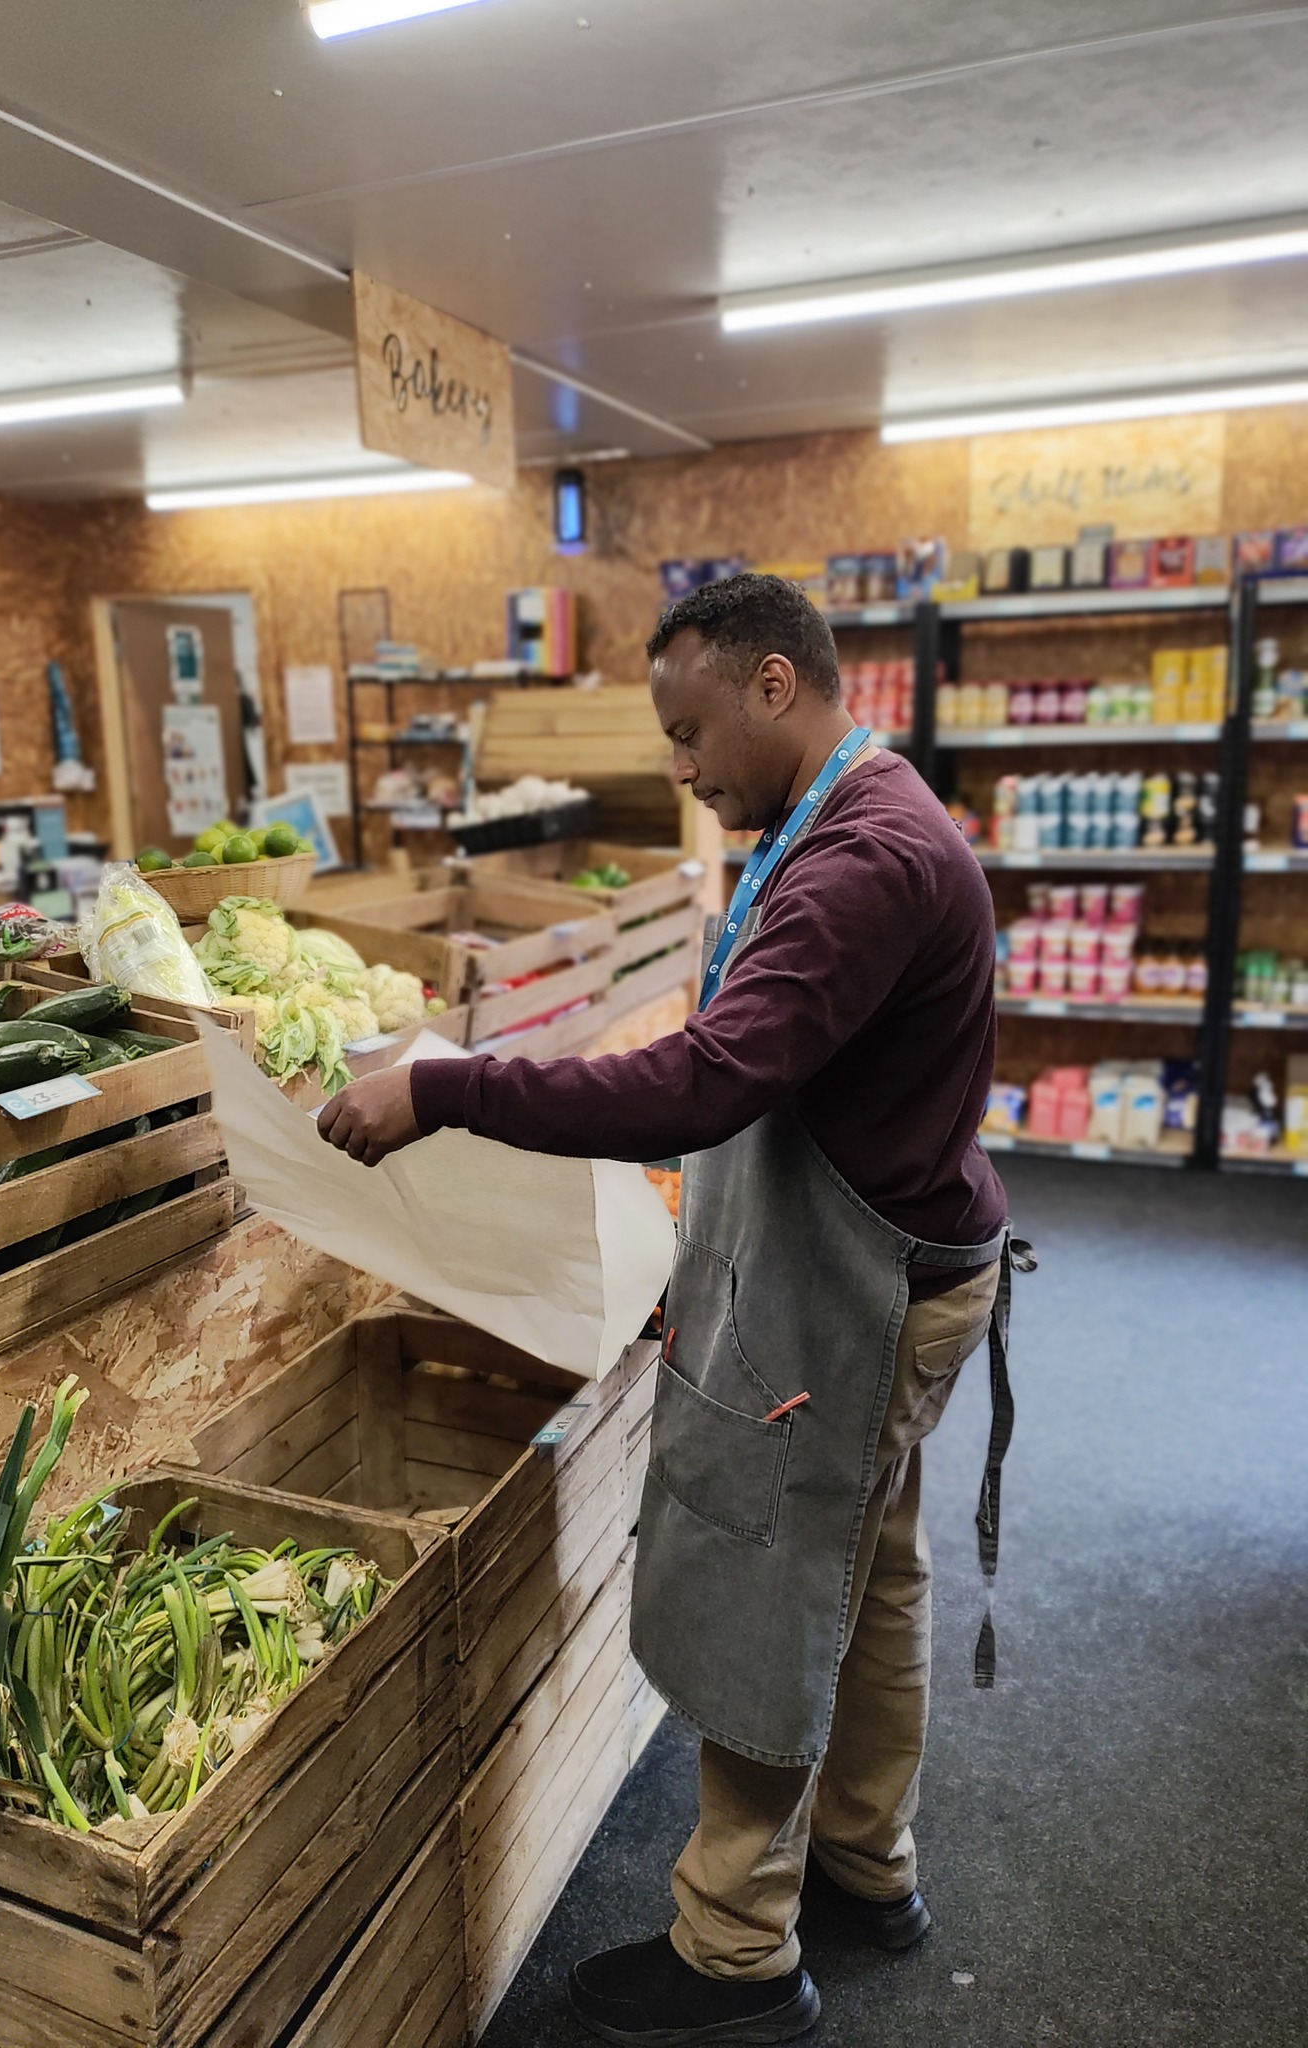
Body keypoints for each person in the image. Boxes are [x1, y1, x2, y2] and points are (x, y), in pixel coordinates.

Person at [318, 572, 1019, 2048]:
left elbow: (707, 1080)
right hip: (905, 1266)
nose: (685, 770)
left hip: (860, 1293)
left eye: (692, 733)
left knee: (770, 1586)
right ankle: (864, 1869)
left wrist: (449, 1084)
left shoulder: (860, 863)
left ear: (778, 685)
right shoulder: (853, 816)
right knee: (870, 1577)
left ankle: (736, 1957)